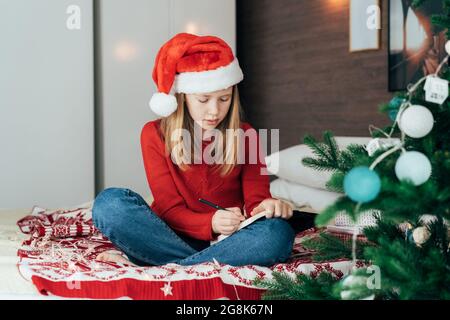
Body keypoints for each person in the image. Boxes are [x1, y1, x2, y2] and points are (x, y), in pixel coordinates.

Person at [92, 33, 315, 267]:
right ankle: (194, 263)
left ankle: (168, 265)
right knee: (110, 203)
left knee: (277, 233)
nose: (214, 111)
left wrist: (267, 206)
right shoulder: (153, 133)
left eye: (224, 99)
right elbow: (169, 209)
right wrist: (210, 223)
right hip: (170, 236)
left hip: (231, 240)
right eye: (203, 100)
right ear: (183, 96)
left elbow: (256, 199)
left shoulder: (246, 134)